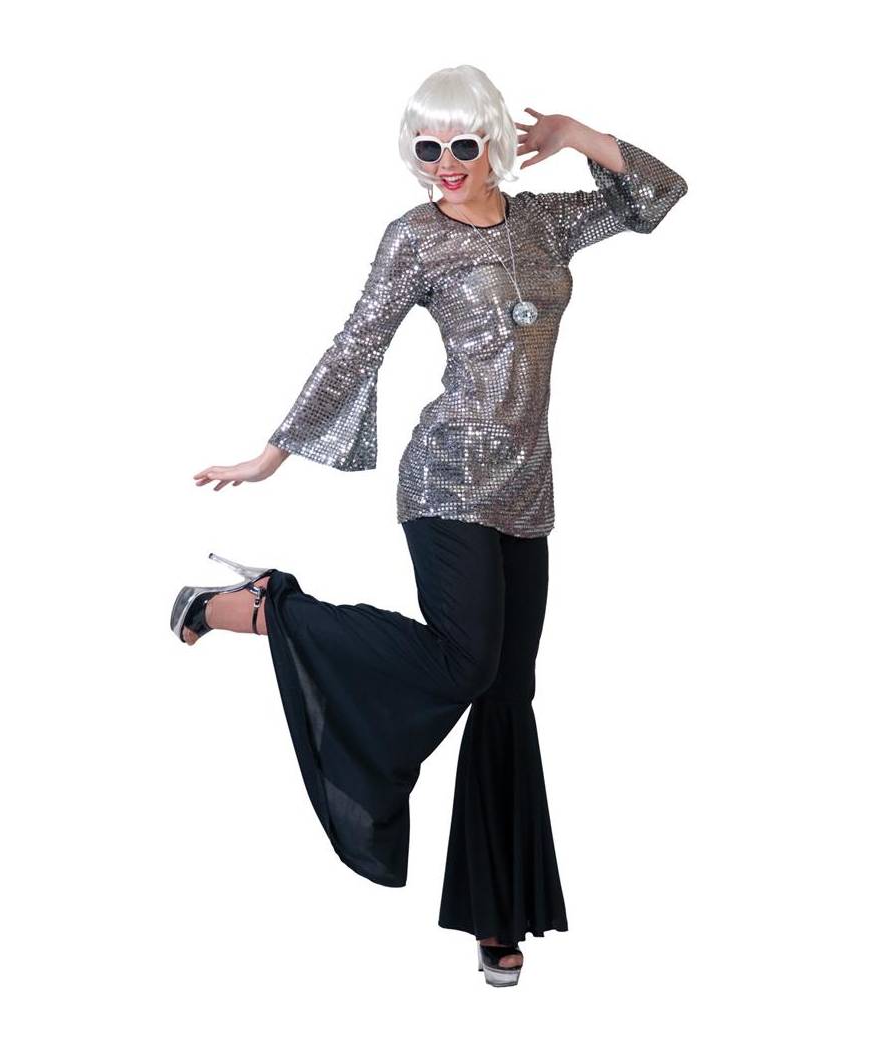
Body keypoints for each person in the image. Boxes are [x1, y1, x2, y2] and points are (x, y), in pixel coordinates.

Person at [171, 64, 688, 987]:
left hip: (527, 486)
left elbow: (658, 195)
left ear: (493, 142)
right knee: (465, 663)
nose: (443, 163)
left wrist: (575, 134)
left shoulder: (546, 222)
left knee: (506, 695)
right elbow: (356, 345)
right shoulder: (414, 237)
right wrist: (272, 454)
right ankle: (256, 607)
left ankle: (498, 915)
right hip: (447, 475)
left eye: (460, 144)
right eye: (425, 147)